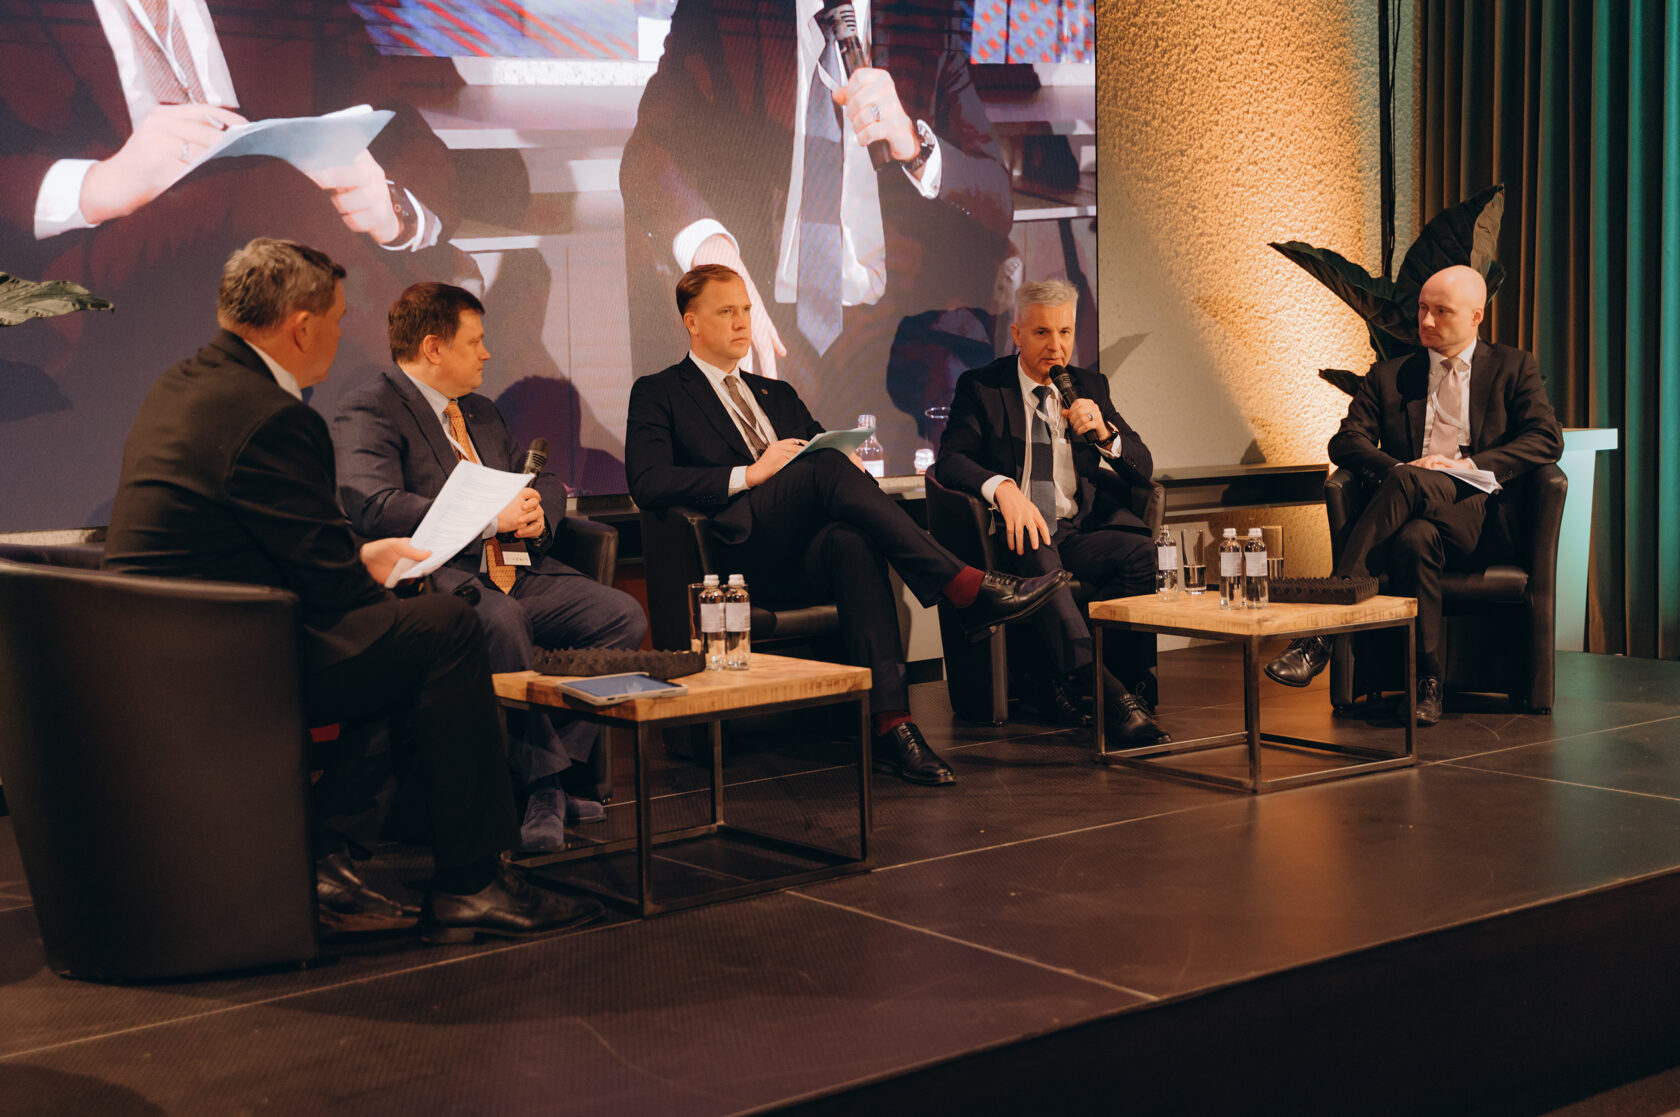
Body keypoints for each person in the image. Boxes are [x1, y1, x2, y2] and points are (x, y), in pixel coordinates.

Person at [103, 238, 599, 943]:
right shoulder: (275, 416)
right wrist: (382, 588)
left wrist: (363, 559)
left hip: (170, 636)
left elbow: (269, 540)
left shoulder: (184, 384)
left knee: (409, 635)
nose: (343, 335)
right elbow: (327, 588)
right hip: (227, 651)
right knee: (446, 628)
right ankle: (471, 882)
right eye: (337, 320)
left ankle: (328, 851)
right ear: (301, 326)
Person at [0, 0, 471, 529]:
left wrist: (393, 209)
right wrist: (92, 187)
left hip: (316, 349)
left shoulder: (297, 11)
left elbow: (412, 139)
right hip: (100, 373)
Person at [625, 263, 1066, 786]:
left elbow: (823, 456)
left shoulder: (775, 393)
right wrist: (750, 474)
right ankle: (963, 585)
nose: (743, 322)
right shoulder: (659, 392)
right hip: (733, 552)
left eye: (746, 309)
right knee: (829, 469)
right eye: (727, 312)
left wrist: (848, 462)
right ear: (692, 323)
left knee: (852, 541)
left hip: (801, 551)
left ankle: (892, 724)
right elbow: (648, 482)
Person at [618, 0, 1014, 465]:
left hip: (898, 331)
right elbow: (645, 154)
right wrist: (714, 252)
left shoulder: (924, 21)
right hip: (771, 325)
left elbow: (997, 198)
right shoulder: (726, 13)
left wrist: (913, 143)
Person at [333, 282, 649, 851]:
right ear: (433, 347)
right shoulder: (370, 408)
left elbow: (540, 478)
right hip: (438, 580)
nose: (486, 353)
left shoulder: (479, 411)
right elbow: (374, 505)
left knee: (621, 616)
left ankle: (542, 776)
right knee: (503, 621)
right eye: (474, 341)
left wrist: (536, 513)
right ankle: (544, 790)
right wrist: (485, 518)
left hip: (515, 570)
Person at [1263, 264, 1564, 725]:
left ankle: (1319, 636)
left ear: (1476, 316)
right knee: (1414, 538)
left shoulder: (1513, 367)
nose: (1426, 321)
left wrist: (1468, 467)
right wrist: (1403, 470)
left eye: (1441, 311)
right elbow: (1346, 442)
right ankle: (1427, 685)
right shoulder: (1390, 376)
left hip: (1482, 516)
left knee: (1406, 485)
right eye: (1422, 308)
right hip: (1410, 513)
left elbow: (1546, 438)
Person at [934, 279, 1169, 745]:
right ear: (1017, 334)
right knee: (1036, 540)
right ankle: (1112, 700)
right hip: (1016, 533)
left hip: (1076, 530)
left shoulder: (1088, 386)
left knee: (1143, 554)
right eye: (1042, 333)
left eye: (1065, 332)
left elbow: (1142, 467)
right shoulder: (982, 387)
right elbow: (951, 460)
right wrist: (1004, 489)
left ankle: (1056, 673)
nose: (1056, 346)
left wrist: (1105, 435)